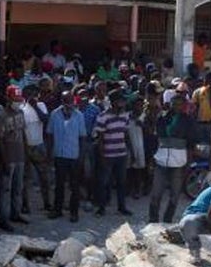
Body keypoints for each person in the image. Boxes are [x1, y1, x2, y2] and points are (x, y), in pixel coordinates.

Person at [0, 82, 29, 230]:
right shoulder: (2, 116)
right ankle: (4, 218)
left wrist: (27, 152)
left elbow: (23, 133)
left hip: (20, 155)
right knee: (5, 189)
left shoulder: (21, 113)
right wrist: (4, 160)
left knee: (18, 187)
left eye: (19, 100)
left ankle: (15, 213)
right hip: (8, 157)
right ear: (8, 99)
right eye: (15, 100)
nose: (17, 103)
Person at [149, 93, 194, 223]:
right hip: (160, 161)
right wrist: (151, 160)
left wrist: (188, 163)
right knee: (156, 194)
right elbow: (154, 140)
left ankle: (167, 221)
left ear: (184, 106)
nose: (177, 107)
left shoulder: (188, 121)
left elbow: (191, 143)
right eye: (175, 104)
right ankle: (153, 221)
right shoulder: (162, 118)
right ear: (170, 104)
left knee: (174, 195)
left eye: (180, 104)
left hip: (179, 163)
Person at [47, 91, 88, 222]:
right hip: (59, 154)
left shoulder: (79, 115)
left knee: (74, 185)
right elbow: (50, 135)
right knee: (59, 184)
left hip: (74, 155)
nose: (69, 103)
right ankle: (57, 210)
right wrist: (49, 154)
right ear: (62, 101)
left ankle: (73, 212)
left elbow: (82, 137)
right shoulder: (54, 114)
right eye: (66, 100)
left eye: (71, 100)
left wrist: (81, 156)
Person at [92, 88, 133, 216]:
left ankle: (122, 207)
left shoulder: (125, 115)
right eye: (121, 101)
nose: (123, 103)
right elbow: (100, 139)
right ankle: (101, 208)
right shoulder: (103, 117)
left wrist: (130, 151)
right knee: (104, 183)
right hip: (108, 155)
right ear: (114, 102)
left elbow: (126, 135)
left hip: (121, 154)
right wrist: (102, 155)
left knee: (122, 182)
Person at [20, 84, 53, 214]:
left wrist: (34, 106)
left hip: (39, 145)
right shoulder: (21, 109)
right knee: (25, 179)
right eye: (30, 94)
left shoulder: (41, 106)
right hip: (26, 146)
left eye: (35, 94)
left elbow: (45, 119)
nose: (33, 97)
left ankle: (47, 203)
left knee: (44, 177)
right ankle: (25, 205)